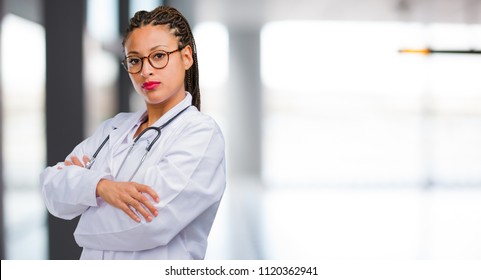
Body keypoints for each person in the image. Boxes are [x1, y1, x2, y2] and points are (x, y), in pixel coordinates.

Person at [40, 6, 226, 260]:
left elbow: (149, 224)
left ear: (186, 57)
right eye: (135, 60)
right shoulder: (113, 128)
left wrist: (82, 200)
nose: (145, 70)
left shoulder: (200, 134)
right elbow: (52, 189)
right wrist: (101, 187)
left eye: (158, 56)